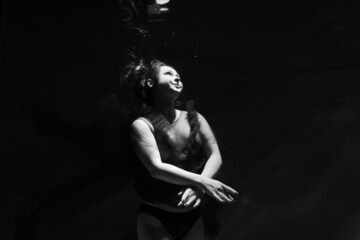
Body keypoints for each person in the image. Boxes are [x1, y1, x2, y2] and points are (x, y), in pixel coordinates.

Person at [129, 59, 238, 240]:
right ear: (150, 83)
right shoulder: (142, 126)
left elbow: (215, 155)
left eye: (179, 76)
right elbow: (155, 168)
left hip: (192, 217)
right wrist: (202, 182)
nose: (177, 78)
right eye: (169, 74)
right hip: (155, 217)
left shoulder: (195, 118)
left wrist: (201, 187)